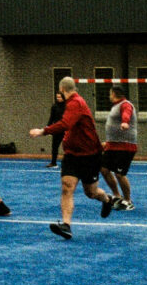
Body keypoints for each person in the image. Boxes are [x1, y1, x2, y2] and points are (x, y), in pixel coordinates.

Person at [30, 77, 117, 239]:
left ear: (62, 90)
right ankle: (66, 225)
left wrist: (43, 131)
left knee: (91, 192)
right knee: (67, 187)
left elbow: (65, 124)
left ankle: (107, 200)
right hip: (72, 155)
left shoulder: (76, 103)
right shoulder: (69, 104)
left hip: (90, 155)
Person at [100, 84, 138, 211]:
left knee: (119, 174)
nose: (109, 96)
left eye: (110, 93)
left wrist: (125, 122)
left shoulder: (125, 104)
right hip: (113, 146)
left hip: (125, 146)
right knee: (104, 169)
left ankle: (128, 200)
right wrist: (108, 142)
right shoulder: (115, 106)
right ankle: (117, 195)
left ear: (114, 94)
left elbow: (126, 114)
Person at [45, 88, 66, 167]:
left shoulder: (67, 106)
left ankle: (70, 163)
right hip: (57, 129)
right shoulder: (54, 106)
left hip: (65, 129)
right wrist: (48, 127)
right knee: (54, 146)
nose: (58, 98)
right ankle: (53, 162)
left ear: (63, 97)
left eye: (60, 97)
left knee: (68, 147)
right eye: (57, 97)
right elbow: (51, 117)